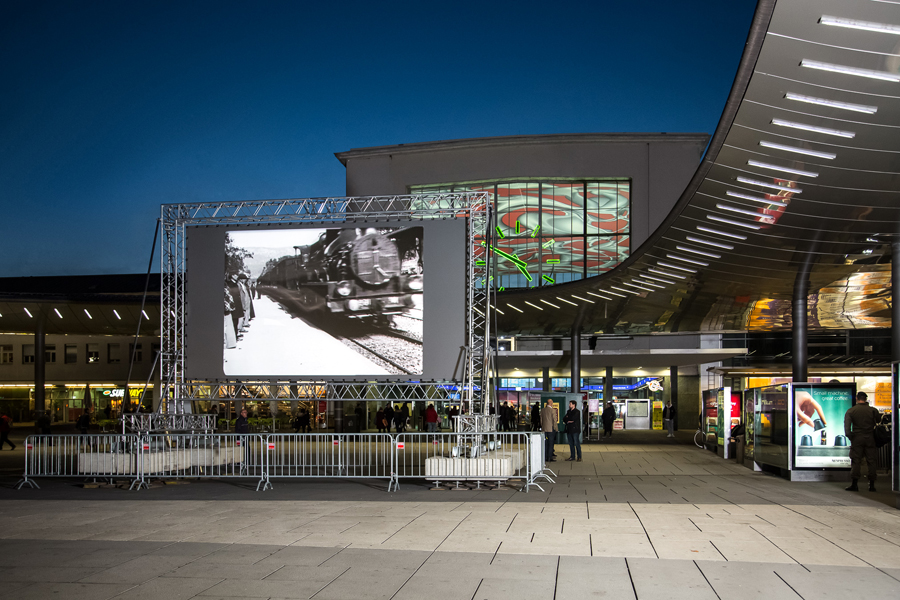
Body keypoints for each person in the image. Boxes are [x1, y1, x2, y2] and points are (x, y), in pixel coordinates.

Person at [844, 391, 881, 492]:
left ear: (857, 398)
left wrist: (851, 437)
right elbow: (878, 421)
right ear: (866, 399)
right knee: (871, 461)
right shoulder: (873, 410)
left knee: (856, 460)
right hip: (870, 438)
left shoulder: (851, 411)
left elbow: (847, 429)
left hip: (857, 438)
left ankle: (854, 484)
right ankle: (872, 485)